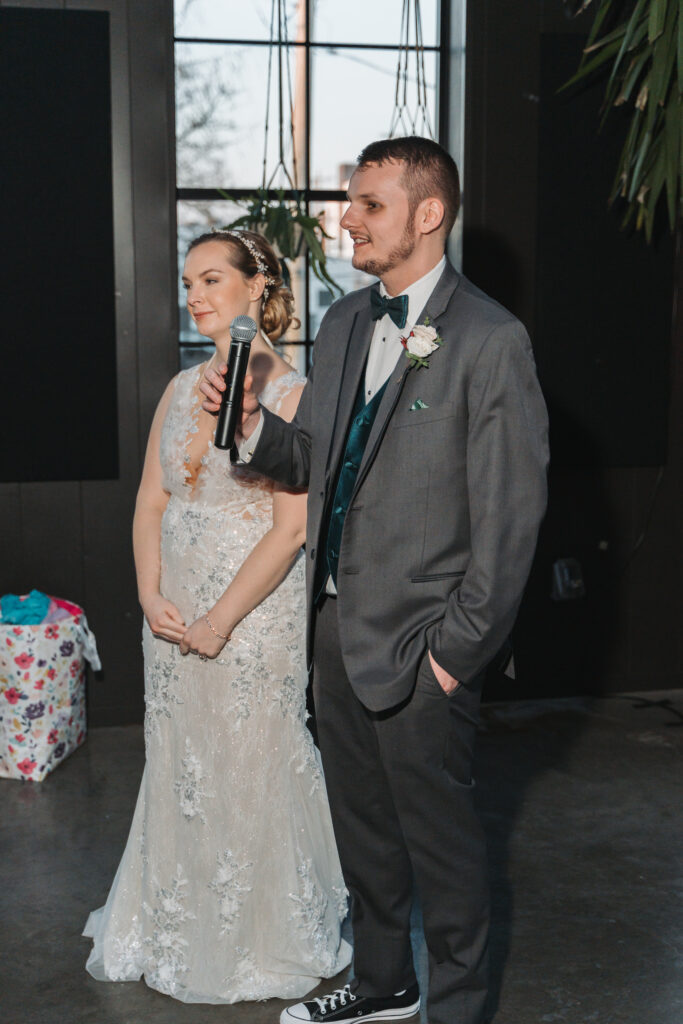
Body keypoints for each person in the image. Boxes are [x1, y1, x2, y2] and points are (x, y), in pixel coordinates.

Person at [201, 138, 549, 1024]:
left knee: (445, 851)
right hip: (333, 634)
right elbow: (314, 457)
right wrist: (248, 424)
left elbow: (508, 522)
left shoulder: (491, 339)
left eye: (366, 204)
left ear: (427, 215)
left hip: (423, 649)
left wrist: (453, 657)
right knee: (364, 836)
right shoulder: (349, 319)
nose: (345, 220)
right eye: (349, 203)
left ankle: (458, 1010)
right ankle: (384, 984)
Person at [83, 229, 351, 1003]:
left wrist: (222, 620)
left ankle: (256, 936)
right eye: (186, 281)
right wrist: (148, 592)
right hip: (170, 613)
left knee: (249, 760)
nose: (194, 295)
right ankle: (173, 921)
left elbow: (292, 528)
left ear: (254, 287)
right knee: (182, 762)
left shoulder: (294, 393)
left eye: (210, 280)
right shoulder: (177, 388)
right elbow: (150, 500)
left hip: (250, 618)